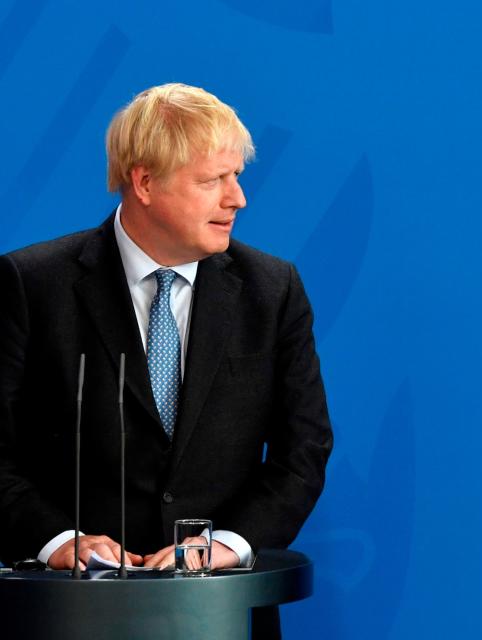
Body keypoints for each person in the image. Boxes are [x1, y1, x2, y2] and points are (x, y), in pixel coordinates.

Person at [0, 83, 333, 635]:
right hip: (70, 614)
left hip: (220, 616)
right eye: (212, 181)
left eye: (237, 176)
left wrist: (227, 544)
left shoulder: (273, 290)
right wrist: (58, 541)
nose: (237, 198)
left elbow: (305, 450)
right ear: (145, 182)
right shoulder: (32, 285)